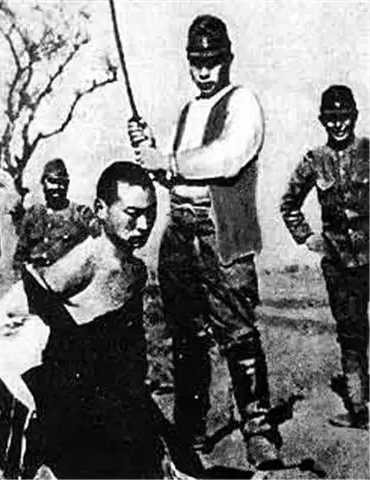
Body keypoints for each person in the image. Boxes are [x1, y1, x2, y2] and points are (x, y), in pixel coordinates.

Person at [128, 14, 282, 469]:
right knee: (186, 338)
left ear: (228, 59)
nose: (204, 70)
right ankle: (190, 432)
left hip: (222, 232)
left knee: (238, 334)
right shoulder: (188, 111)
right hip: (180, 231)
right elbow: (172, 175)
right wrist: (150, 152)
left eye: (212, 60)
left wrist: (167, 160)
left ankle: (258, 431)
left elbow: (227, 158)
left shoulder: (243, 102)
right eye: (196, 61)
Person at [0, 161, 170, 479]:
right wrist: (30, 387)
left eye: (150, 214)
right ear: (101, 209)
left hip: (112, 390)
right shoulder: (84, 261)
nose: (143, 225)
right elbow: (11, 315)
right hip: (71, 393)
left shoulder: (135, 270)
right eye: (132, 213)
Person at [281, 85, 369, 430]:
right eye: (331, 118)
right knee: (350, 332)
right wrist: (307, 237)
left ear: (354, 117)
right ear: (322, 121)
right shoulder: (314, 160)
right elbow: (289, 203)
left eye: (344, 117)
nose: (338, 124)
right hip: (339, 264)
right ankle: (360, 409)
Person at [12, 158, 98, 275]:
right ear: (43, 183)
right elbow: (20, 253)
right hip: (34, 278)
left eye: (62, 183)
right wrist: (19, 275)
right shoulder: (34, 214)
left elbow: (97, 234)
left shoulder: (79, 213)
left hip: (65, 279)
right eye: (52, 181)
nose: (57, 187)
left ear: (67, 185)